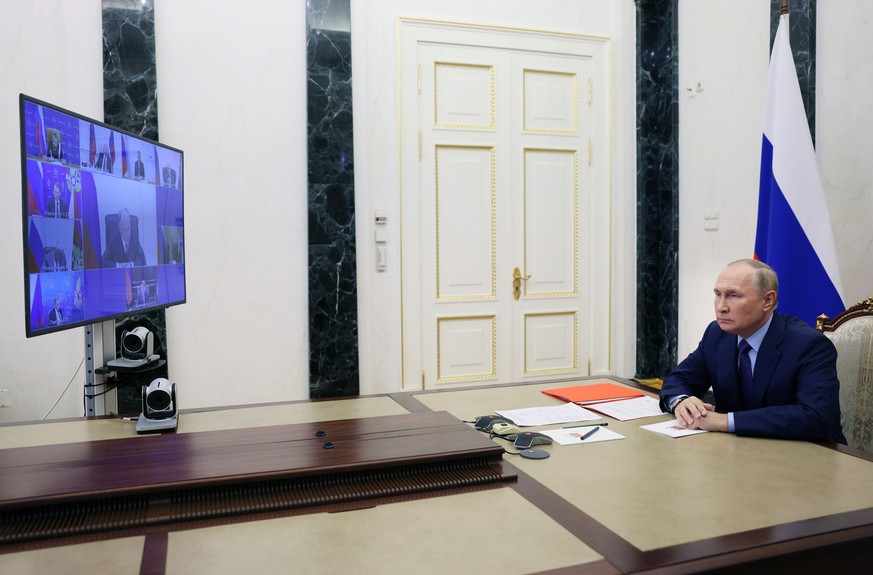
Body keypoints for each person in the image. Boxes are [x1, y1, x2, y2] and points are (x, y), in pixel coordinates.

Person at [659, 258, 846, 444]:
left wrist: (725, 421)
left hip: (806, 456)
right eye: (718, 294)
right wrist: (681, 401)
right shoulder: (717, 334)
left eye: (733, 295)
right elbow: (679, 378)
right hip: (735, 451)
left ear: (767, 300)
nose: (721, 307)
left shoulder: (809, 346)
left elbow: (816, 417)